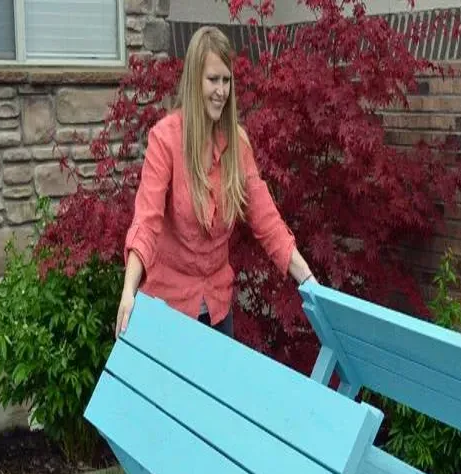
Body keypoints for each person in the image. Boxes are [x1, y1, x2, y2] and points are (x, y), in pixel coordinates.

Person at [115, 25, 315, 339]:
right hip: (168, 313)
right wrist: (129, 291)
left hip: (218, 312)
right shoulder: (165, 139)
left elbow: (268, 222)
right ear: (195, 80)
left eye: (226, 80)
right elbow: (147, 220)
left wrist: (308, 281)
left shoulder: (237, 144)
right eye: (213, 80)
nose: (221, 90)